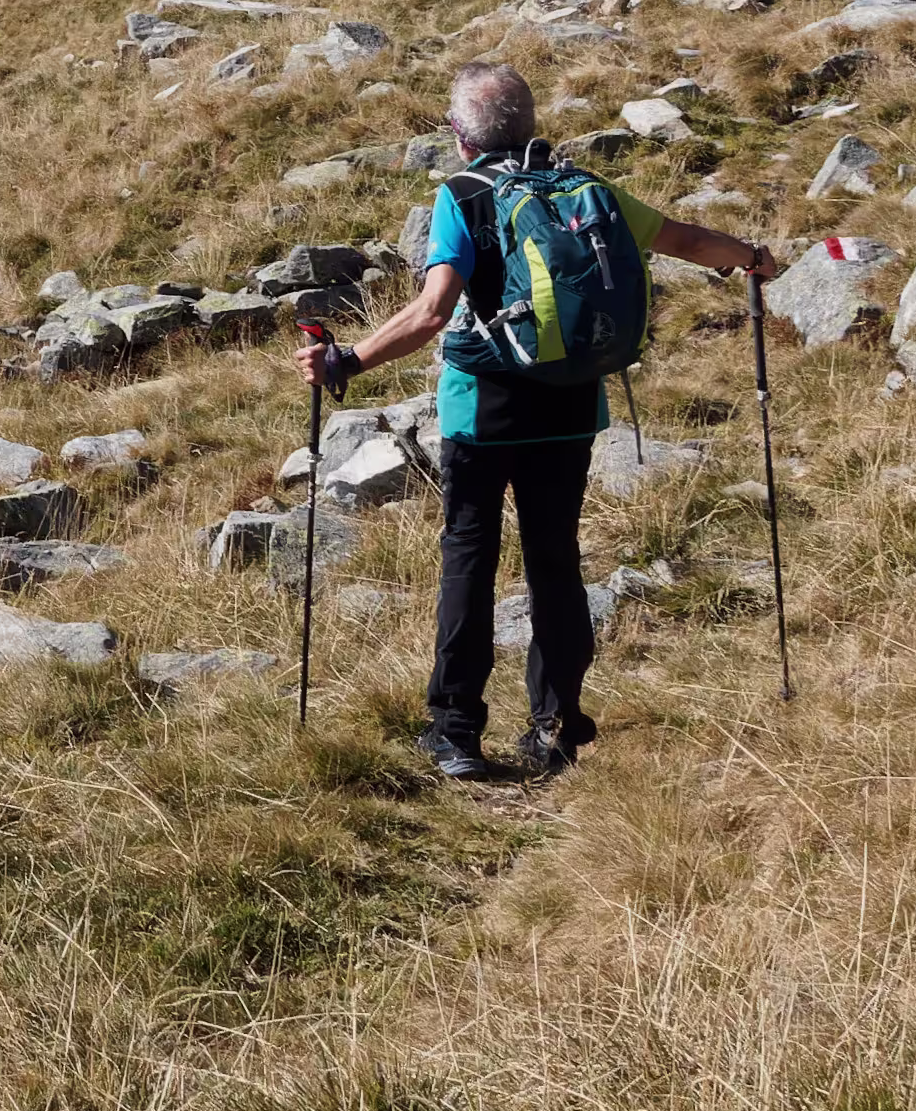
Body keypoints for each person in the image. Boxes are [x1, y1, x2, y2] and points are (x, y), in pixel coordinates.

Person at [298, 62, 773, 782]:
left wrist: (347, 362)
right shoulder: (585, 189)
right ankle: (555, 727)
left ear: (460, 137)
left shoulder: (462, 197)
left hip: (484, 411)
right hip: (571, 406)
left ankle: (455, 733)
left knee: (470, 559)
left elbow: (431, 311)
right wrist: (752, 259)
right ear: (529, 122)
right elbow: (682, 240)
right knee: (554, 560)